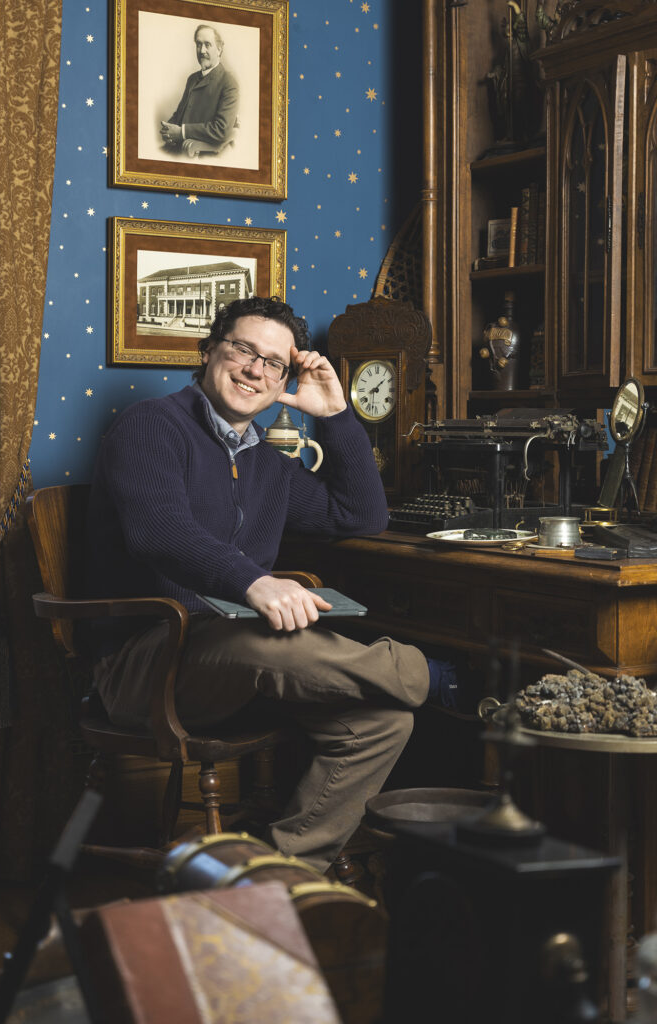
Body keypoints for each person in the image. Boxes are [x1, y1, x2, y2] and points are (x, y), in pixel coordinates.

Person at [85, 296, 467, 873]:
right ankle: (434, 677)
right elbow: (159, 533)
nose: (255, 370)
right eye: (243, 349)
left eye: (274, 363)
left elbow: (361, 517)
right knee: (265, 637)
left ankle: (279, 874)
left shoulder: (266, 461)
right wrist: (253, 583)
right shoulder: (149, 426)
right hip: (147, 665)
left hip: (232, 663)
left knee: (384, 721)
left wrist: (336, 416)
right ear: (209, 350)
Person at [160, 24, 240, 159]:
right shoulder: (192, 79)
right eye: (198, 44)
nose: (202, 50)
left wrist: (181, 133)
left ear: (219, 49)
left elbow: (221, 130)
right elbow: (180, 114)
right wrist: (168, 129)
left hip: (201, 154)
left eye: (207, 44)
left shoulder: (228, 82)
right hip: (176, 148)